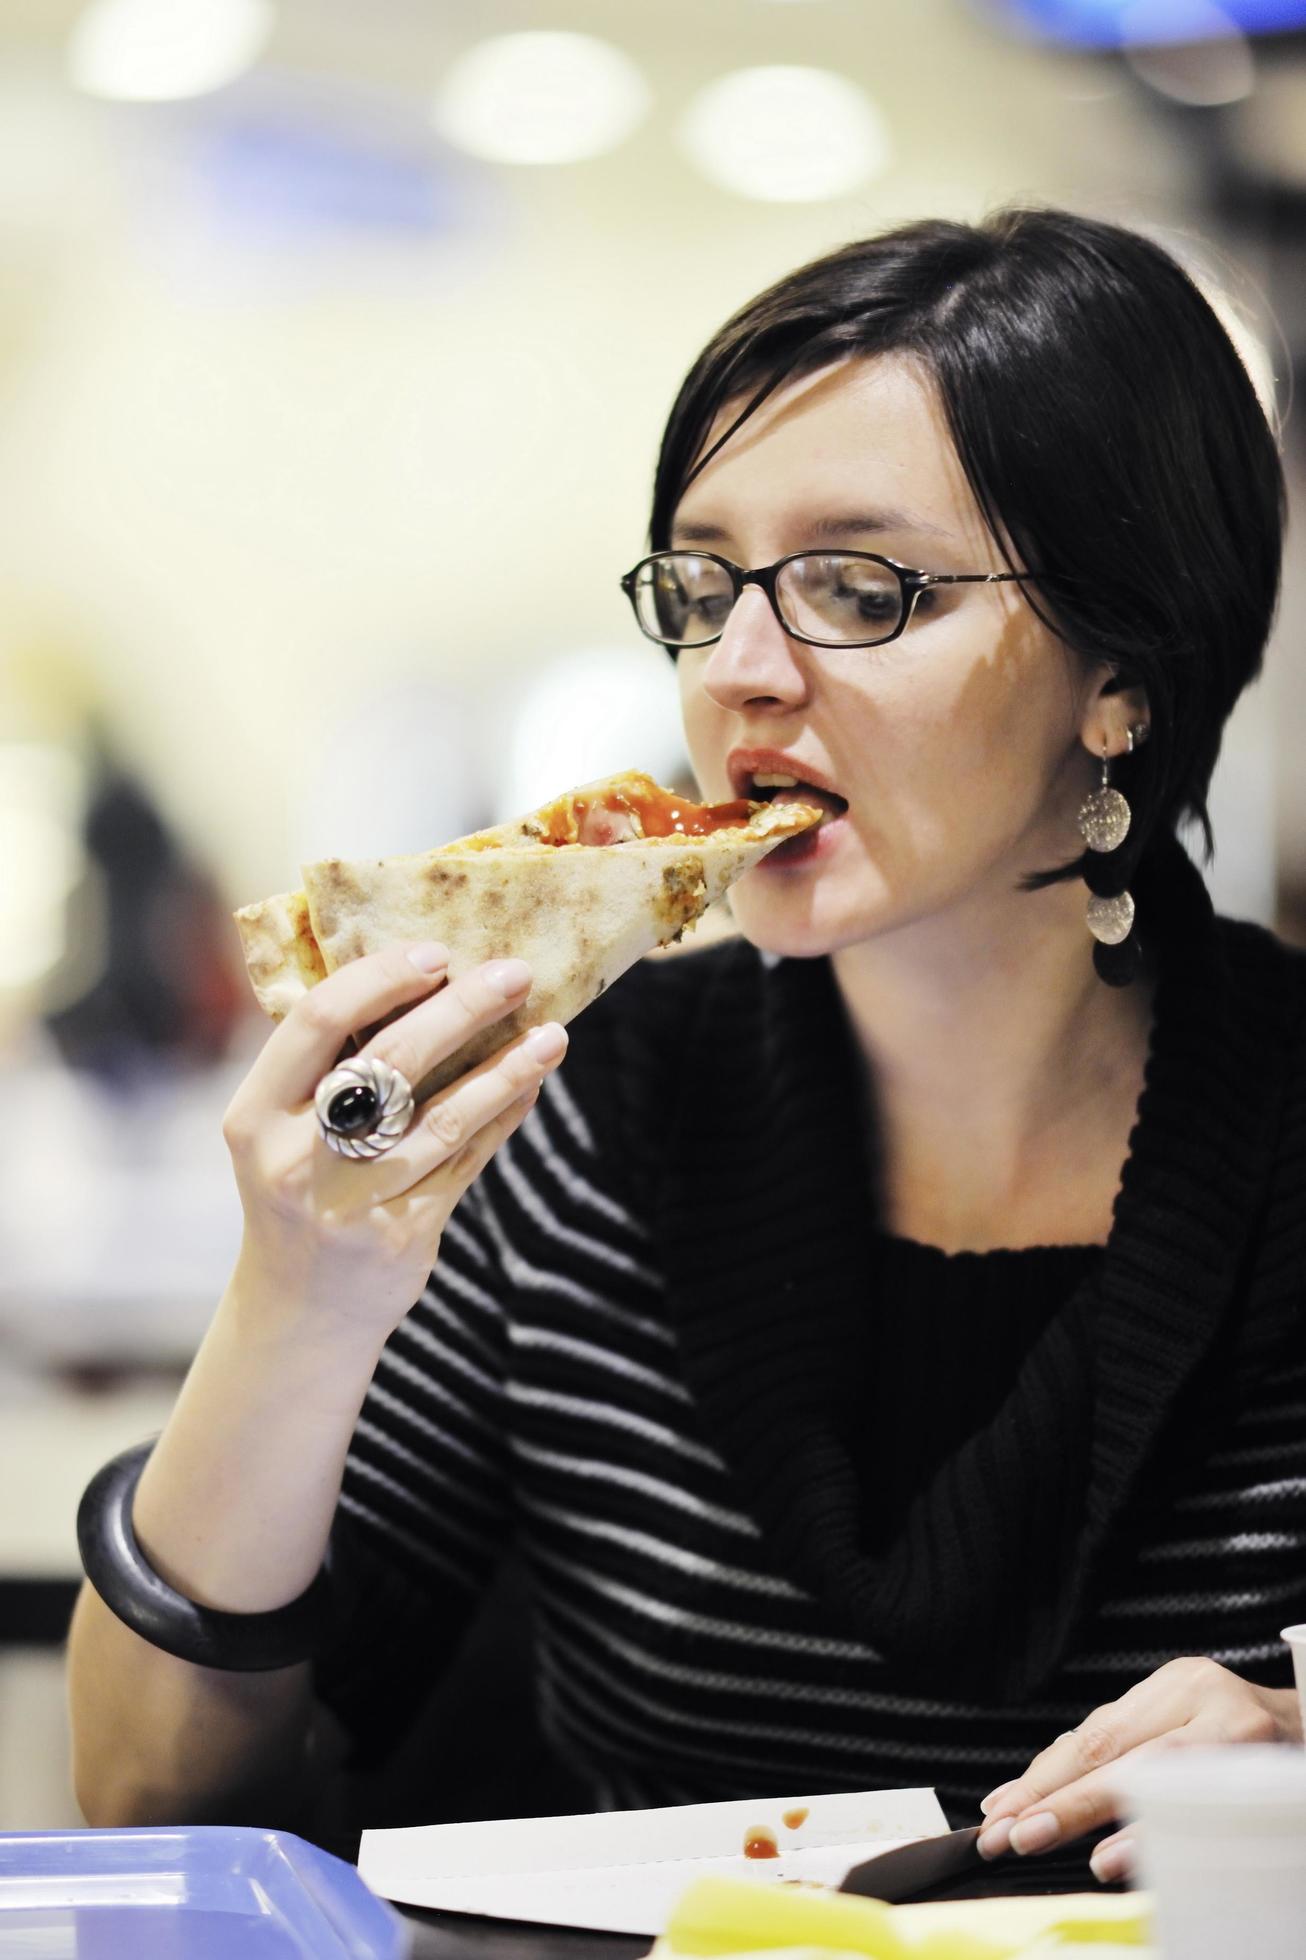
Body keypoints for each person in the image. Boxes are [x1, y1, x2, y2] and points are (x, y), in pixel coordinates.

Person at [68, 206, 1306, 1895]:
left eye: (858, 588)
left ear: (1122, 672)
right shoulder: (584, 1105)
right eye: (701, 585)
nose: (733, 673)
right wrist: (296, 1291)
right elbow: (153, 1805)